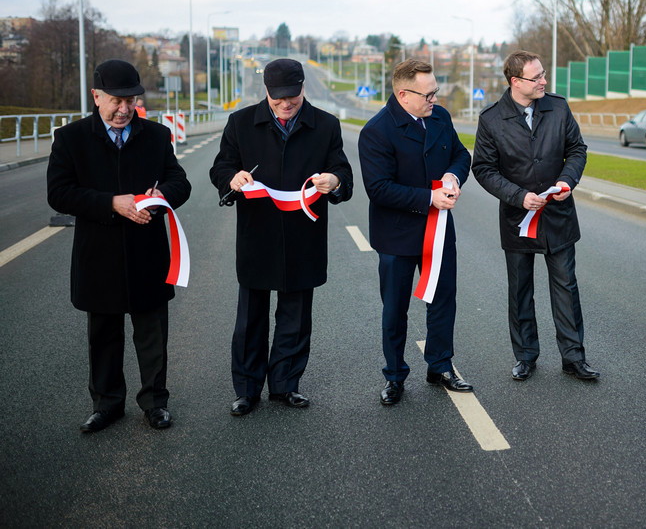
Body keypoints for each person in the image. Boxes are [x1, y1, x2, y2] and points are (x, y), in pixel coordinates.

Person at [47, 59, 191, 432]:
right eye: (116, 100)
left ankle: (155, 403)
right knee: (104, 337)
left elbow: (180, 182)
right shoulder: (71, 138)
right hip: (99, 256)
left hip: (148, 255)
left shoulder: (157, 136)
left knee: (153, 336)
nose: (124, 109)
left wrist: (162, 196)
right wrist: (112, 203)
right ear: (96, 97)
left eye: (131, 100)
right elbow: (59, 193)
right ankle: (107, 404)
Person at [209, 58, 353, 416]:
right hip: (258, 234)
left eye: (292, 97)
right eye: (278, 100)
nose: (286, 105)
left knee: (296, 316)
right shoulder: (240, 123)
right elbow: (220, 167)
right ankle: (246, 389)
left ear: (303, 87)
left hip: (304, 235)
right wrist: (232, 179)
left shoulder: (326, 125)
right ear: (267, 93)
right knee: (250, 318)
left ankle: (286, 385)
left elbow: (343, 173)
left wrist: (334, 182)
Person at [472, 50, 599, 382]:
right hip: (518, 219)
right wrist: (518, 196)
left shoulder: (558, 107)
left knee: (566, 288)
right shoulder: (491, 119)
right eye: (537, 76)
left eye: (544, 74)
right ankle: (525, 356)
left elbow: (576, 149)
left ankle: (574, 358)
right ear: (516, 82)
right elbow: (483, 169)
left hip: (558, 215)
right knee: (520, 290)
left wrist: (567, 180)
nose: (544, 81)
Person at [358, 59, 473, 406]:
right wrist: (429, 198)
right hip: (396, 235)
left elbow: (460, 154)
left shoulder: (439, 118)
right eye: (429, 94)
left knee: (443, 300)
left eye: (436, 92)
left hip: (438, 231)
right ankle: (394, 376)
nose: (435, 99)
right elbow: (378, 188)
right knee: (395, 308)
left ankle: (440, 365)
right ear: (403, 94)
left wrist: (453, 176)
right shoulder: (376, 131)